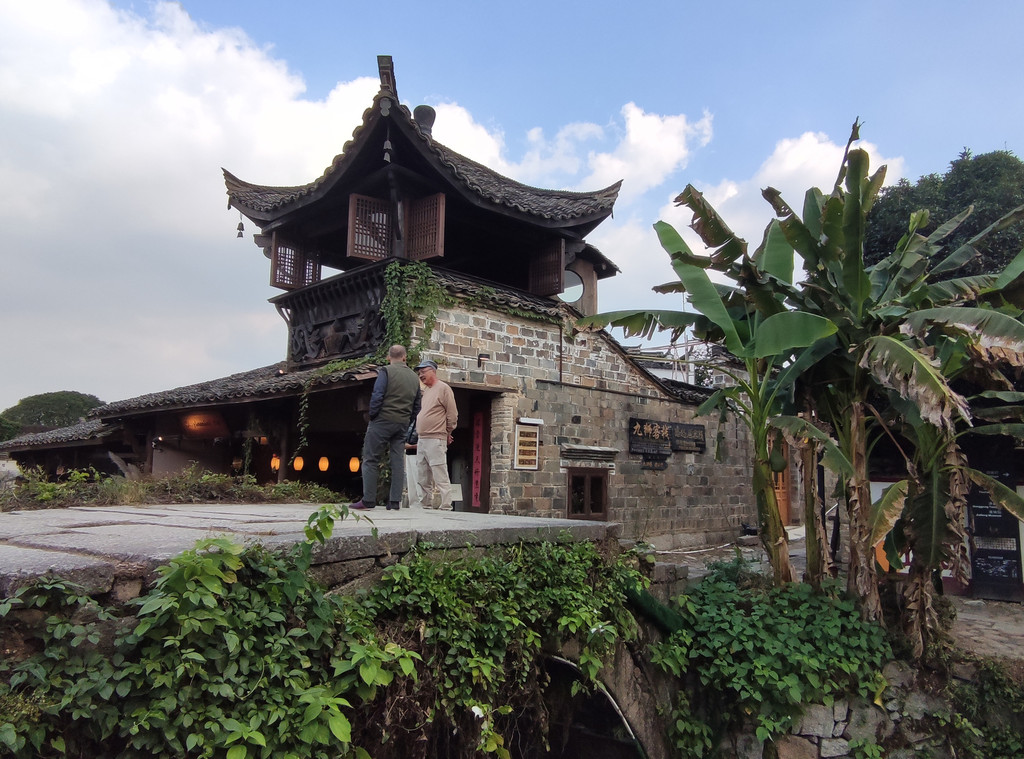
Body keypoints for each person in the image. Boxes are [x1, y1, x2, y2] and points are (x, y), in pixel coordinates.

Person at [351, 345, 421, 511]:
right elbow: (417, 404)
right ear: (404, 357)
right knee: (397, 461)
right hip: (402, 422)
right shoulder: (414, 377)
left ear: (388, 357)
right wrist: (407, 419)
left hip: (383, 420)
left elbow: (378, 394)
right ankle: (395, 501)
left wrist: (374, 415)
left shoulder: (386, 371)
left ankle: (368, 500)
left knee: (370, 458)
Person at [411, 359, 458, 510]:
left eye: (423, 372)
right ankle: (425, 504)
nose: (421, 375)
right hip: (422, 438)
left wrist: (448, 431)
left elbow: (452, 414)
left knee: (439, 471)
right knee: (422, 473)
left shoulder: (443, 388)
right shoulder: (426, 391)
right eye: (419, 373)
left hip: (436, 437)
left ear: (433, 371)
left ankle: (446, 505)